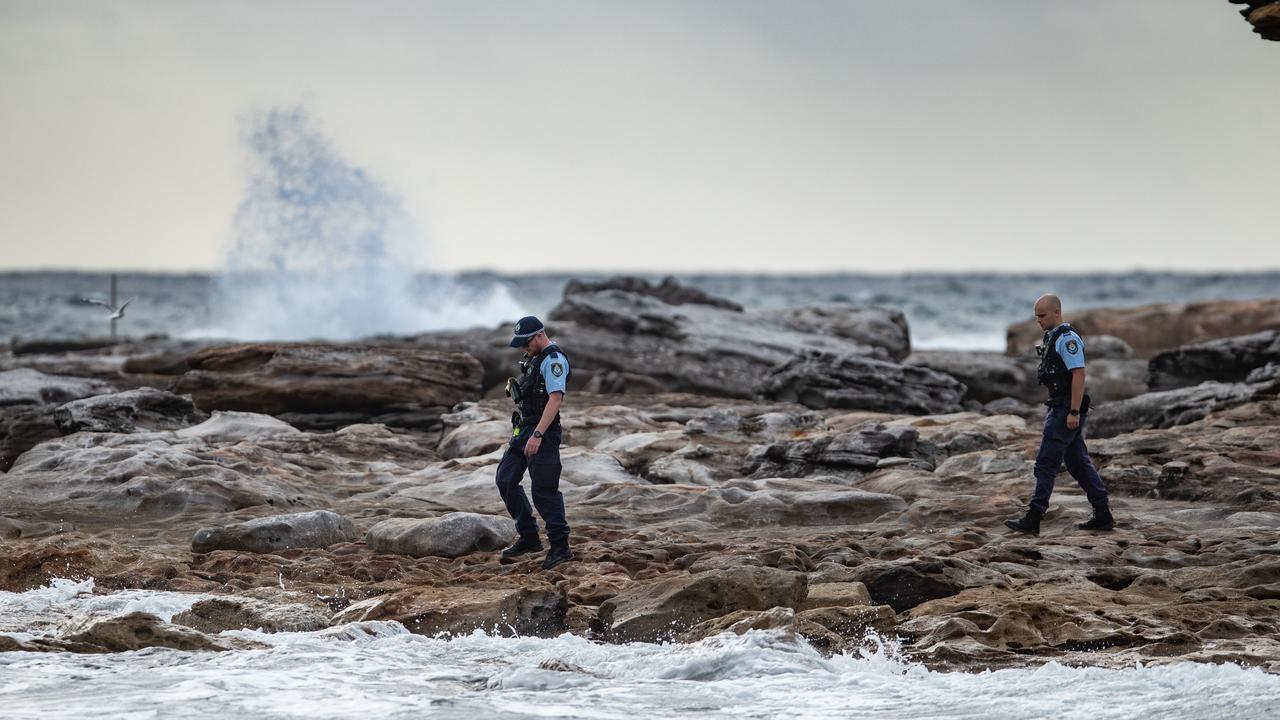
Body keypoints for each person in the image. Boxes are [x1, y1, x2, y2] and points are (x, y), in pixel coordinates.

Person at [1005, 294, 1115, 535]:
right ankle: (1103, 513)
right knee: (1078, 463)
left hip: (1066, 410)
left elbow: (1079, 374)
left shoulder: (1067, 339)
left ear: (1057, 313)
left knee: (1046, 463)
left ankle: (1034, 517)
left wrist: (1074, 411)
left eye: (1042, 315)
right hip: (1061, 407)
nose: (1038, 321)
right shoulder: (1052, 337)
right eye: (1036, 316)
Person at [495, 316, 574, 570]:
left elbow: (555, 400)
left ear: (539, 335)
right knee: (505, 479)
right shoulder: (534, 358)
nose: (522, 348)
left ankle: (561, 547)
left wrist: (538, 435)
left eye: (525, 342)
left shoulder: (553, 361)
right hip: (523, 428)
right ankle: (529, 537)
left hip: (543, 432)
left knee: (544, 491)